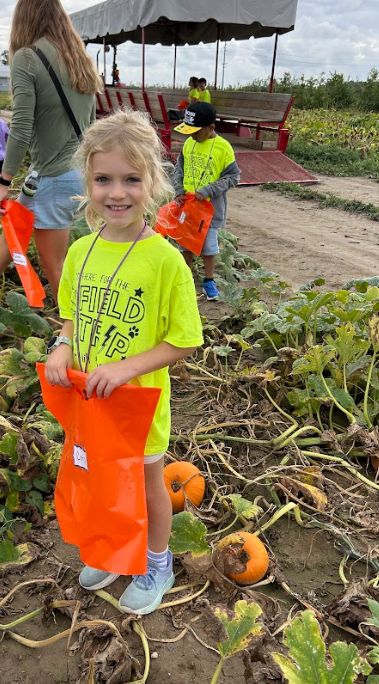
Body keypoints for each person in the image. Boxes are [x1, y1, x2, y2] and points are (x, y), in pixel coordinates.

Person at [44, 109, 203, 615]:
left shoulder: (164, 261)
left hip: (137, 404)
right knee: (100, 478)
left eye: (131, 179)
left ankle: (158, 563)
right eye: (104, 179)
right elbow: (70, 316)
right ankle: (115, 550)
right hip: (91, 401)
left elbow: (184, 341)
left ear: (152, 183)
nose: (117, 193)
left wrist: (127, 367)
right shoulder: (80, 252)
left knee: (147, 481)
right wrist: (62, 347)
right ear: (87, 181)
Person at [0, 0, 101, 303]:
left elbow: (22, 125)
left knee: (54, 266)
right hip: (71, 171)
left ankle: (76, 339)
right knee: (15, 223)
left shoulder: (28, 58)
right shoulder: (80, 58)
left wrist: (3, 181)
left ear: (24, 16)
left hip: (54, 176)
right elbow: (92, 121)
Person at [173, 102, 241, 301]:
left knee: (208, 247)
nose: (191, 135)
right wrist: (178, 190)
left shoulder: (223, 148)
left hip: (208, 211)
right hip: (187, 208)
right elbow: (179, 170)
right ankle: (185, 279)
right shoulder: (188, 144)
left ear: (211, 128)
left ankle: (208, 281)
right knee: (185, 245)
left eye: (195, 131)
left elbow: (232, 177)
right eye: (188, 131)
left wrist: (209, 190)